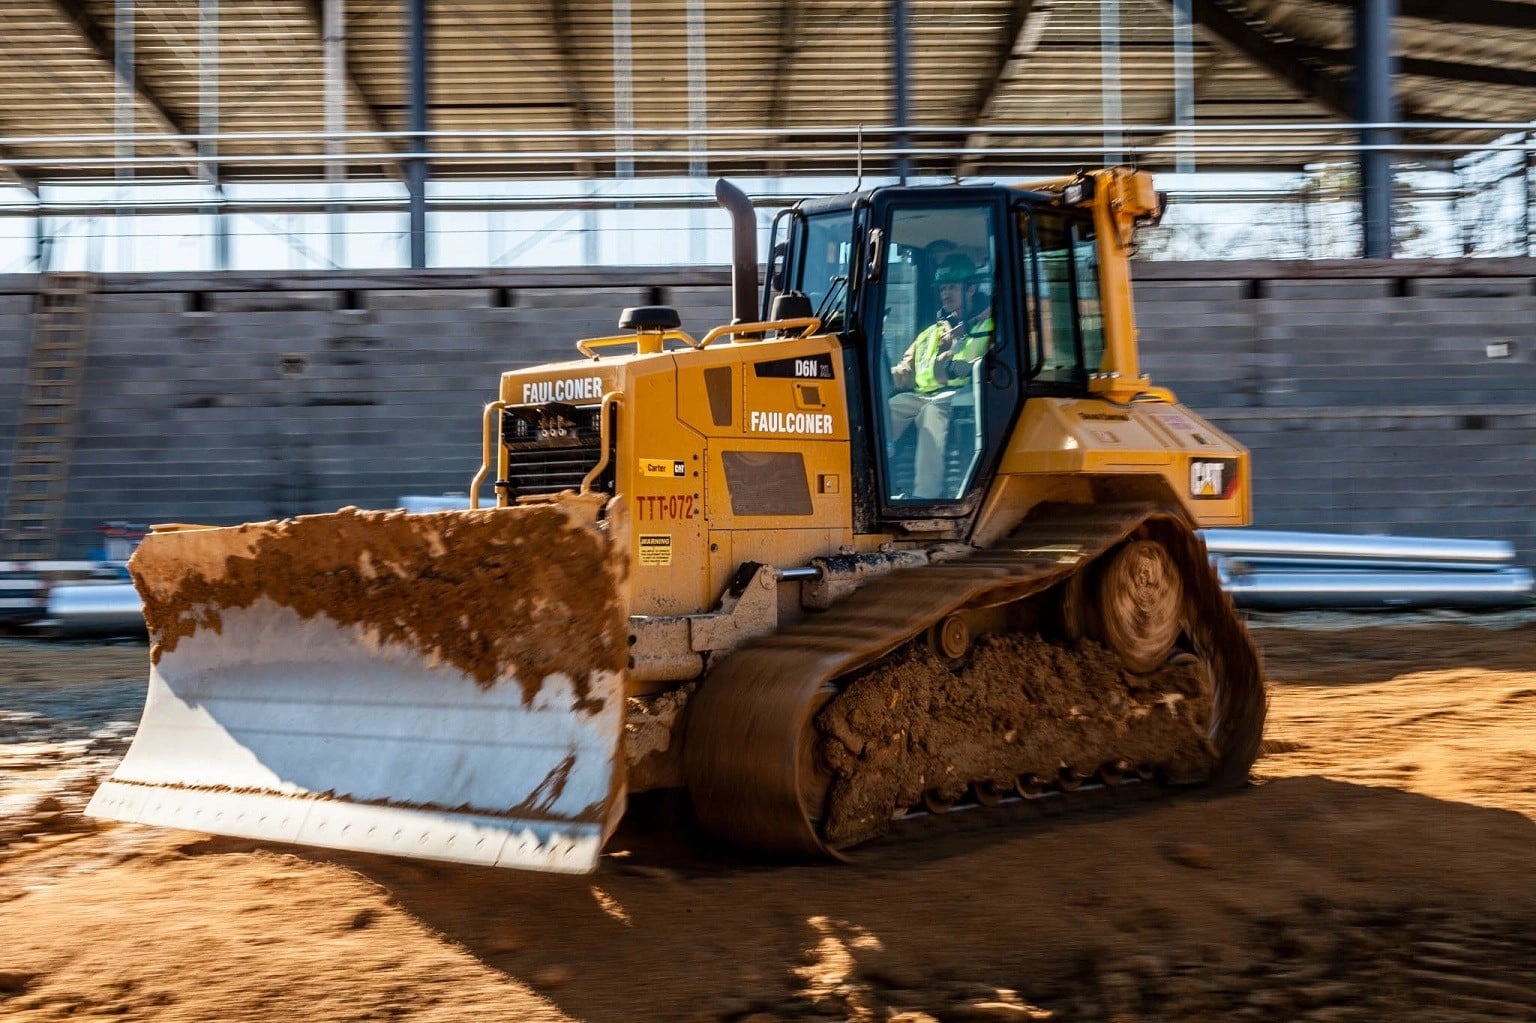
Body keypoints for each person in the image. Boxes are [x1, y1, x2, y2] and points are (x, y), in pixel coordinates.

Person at [888, 253, 994, 499]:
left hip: (961, 397)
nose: (946, 293)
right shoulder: (930, 333)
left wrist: (968, 366)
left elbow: (995, 364)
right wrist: (882, 377)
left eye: (953, 287)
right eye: (943, 288)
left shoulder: (987, 327)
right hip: (920, 395)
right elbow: (907, 370)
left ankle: (926, 495)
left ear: (972, 289)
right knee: (883, 413)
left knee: (931, 415)